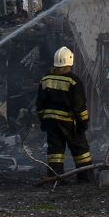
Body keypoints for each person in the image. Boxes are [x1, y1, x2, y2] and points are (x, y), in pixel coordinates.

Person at [37, 46, 93, 183]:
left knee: (55, 151)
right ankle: (85, 177)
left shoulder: (45, 79)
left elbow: (40, 103)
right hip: (68, 122)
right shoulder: (73, 81)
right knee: (81, 149)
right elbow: (80, 105)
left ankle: (55, 178)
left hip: (51, 122)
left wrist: (42, 120)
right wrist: (83, 123)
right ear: (70, 62)